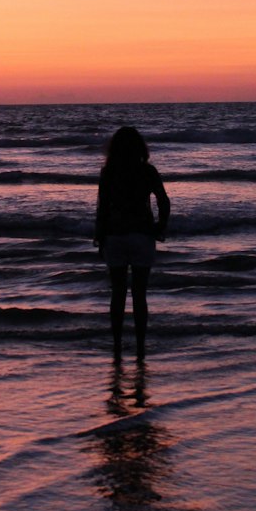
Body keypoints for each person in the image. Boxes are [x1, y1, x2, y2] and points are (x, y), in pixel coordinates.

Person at [94, 126, 170, 359]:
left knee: (117, 294)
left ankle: (117, 345)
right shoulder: (147, 171)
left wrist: (100, 237)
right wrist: (159, 227)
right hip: (141, 235)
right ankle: (140, 346)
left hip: (115, 236)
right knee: (139, 294)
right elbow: (164, 201)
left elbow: (102, 208)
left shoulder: (109, 173)